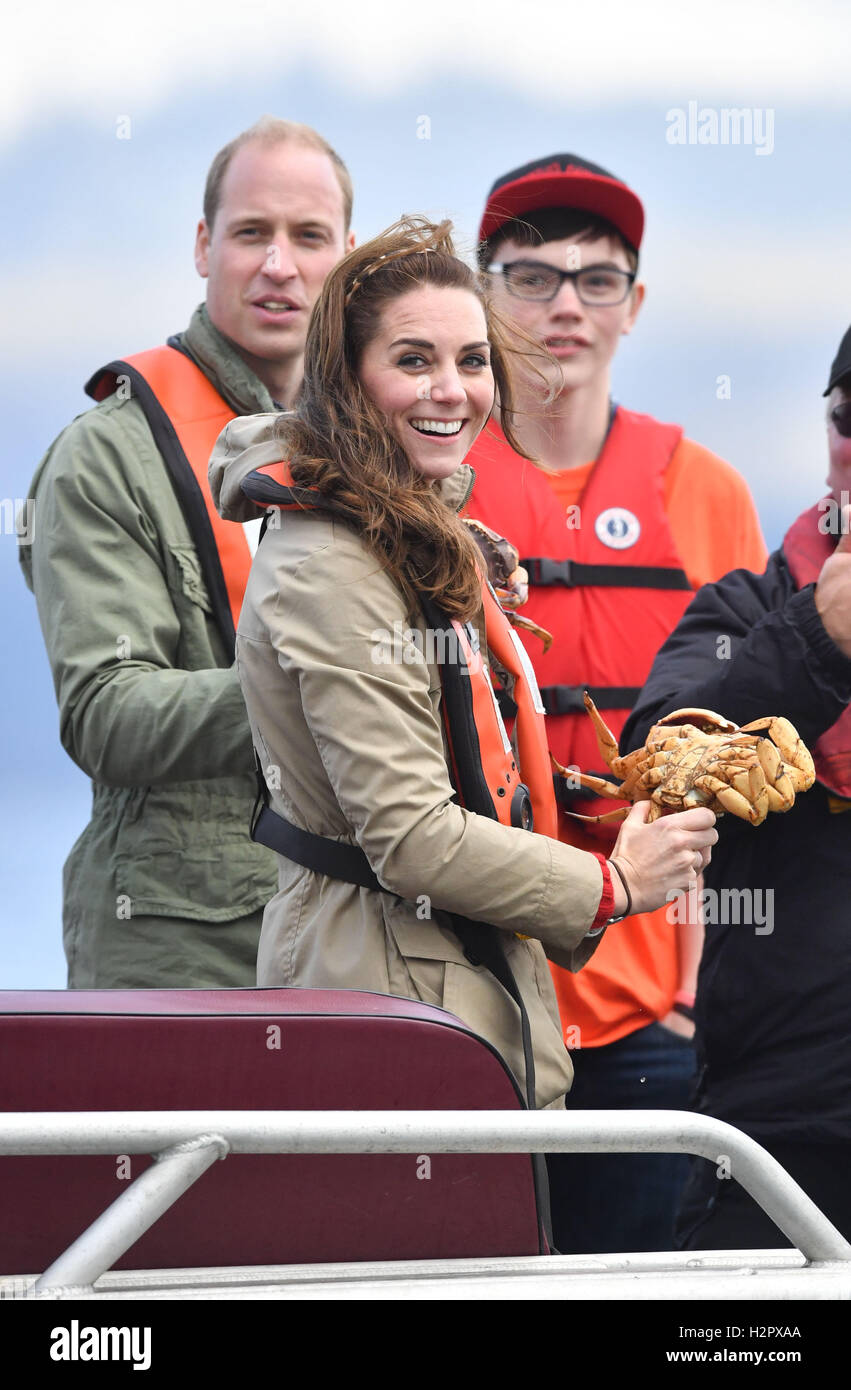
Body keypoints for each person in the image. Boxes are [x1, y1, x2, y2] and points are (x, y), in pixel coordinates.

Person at [208, 216, 718, 1123]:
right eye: (413, 361)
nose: (452, 391)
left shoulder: (408, 534)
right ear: (346, 379)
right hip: (384, 1009)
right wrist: (616, 886)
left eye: (472, 361)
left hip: (448, 991)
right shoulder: (330, 564)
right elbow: (408, 835)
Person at [464, 152, 768, 1252]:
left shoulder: (705, 494)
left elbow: (747, 765)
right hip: (473, 1006)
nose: (562, 305)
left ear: (633, 305)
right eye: (529, 275)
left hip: (648, 1015)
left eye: (596, 280)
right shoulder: (424, 491)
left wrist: (697, 998)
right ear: (481, 290)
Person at [19, 117, 355, 988]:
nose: (279, 263)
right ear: (204, 247)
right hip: (182, 946)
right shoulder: (104, 457)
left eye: (308, 236)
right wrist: (322, 689)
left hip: (359, 930)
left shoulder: (384, 452)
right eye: (252, 233)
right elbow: (105, 713)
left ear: (348, 257)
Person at [622, 325, 851, 1245]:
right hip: (784, 1121)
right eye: (849, 419)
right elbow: (654, 763)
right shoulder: (748, 610)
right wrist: (814, 640)